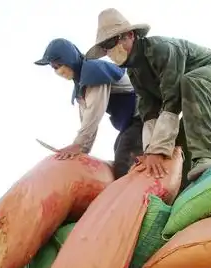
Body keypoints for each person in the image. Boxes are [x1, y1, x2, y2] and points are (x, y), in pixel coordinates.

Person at [85, 9, 211, 183]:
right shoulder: (134, 73)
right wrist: (149, 151)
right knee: (181, 139)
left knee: (190, 83)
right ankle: (186, 184)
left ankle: (207, 158)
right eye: (105, 48)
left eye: (111, 43)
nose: (109, 51)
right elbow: (149, 113)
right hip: (195, 94)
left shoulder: (161, 50)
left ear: (129, 35)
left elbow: (172, 100)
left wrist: (158, 150)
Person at [35, 38, 143, 178]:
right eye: (54, 68)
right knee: (119, 150)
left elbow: (94, 113)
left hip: (144, 116)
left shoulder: (94, 72)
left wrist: (78, 145)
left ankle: (135, 197)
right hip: (130, 123)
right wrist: (82, 150)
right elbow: (86, 119)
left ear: (69, 59)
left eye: (59, 65)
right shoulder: (81, 85)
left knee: (124, 159)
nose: (58, 71)